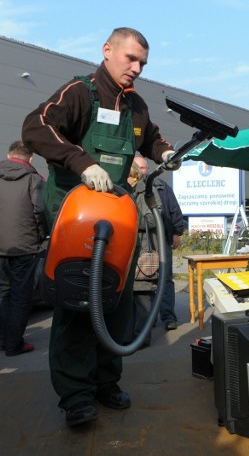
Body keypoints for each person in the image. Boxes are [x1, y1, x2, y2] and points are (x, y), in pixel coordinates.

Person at [22, 27, 180, 427]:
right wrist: (81, 162)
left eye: (142, 62)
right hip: (78, 222)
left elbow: (153, 140)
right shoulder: (79, 93)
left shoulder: (136, 107)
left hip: (119, 222)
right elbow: (36, 127)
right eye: (130, 58)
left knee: (116, 302)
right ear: (107, 50)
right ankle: (76, 395)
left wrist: (166, 152)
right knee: (78, 303)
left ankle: (107, 382)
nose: (137, 68)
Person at [0, 141, 47, 357]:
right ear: (30, 158)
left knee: (3, 293)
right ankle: (13, 344)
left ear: (9, 156)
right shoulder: (33, 179)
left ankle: (3, 340)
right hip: (25, 247)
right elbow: (39, 211)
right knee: (21, 297)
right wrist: (39, 236)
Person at [133, 155, 184, 331]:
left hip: (162, 240)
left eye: (145, 168)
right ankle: (149, 318)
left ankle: (168, 316)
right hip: (141, 243)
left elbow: (174, 209)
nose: (143, 171)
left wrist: (177, 232)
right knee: (145, 280)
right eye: (139, 168)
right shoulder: (130, 188)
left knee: (165, 278)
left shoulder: (161, 186)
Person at [127, 161, 160, 347]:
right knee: (128, 299)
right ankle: (127, 336)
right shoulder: (124, 190)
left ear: (133, 175)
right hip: (127, 253)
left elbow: (153, 219)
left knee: (142, 298)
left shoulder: (147, 191)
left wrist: (128, 215)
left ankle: (141, 338)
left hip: (143, 252)